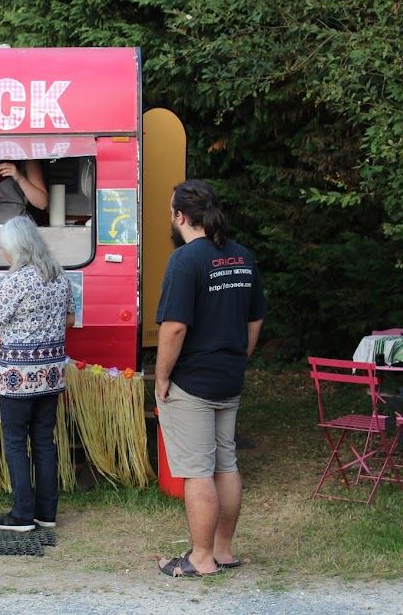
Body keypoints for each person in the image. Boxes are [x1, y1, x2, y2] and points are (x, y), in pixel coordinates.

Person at [154, 179, 266, 578]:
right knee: (226, 463)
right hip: (229, 378)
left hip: (194, 383)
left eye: (171, 211)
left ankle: (201, 558)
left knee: (199, 471)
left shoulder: (185, 260)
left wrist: (161, 377)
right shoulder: (242, 256)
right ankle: (223, 550)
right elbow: (255, 318)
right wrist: (240, 358)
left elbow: (174, 329)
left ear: (181, 216)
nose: (171, 218)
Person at [0, 216, 75, 532]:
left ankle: (21, 515)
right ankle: (47, 513)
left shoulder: (15, 281)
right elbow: (69, 320)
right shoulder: (59, 277)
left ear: (16, 249)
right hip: (52, 374)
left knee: (15, 441)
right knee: (43, 440)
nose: (4, 254)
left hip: (19, 377)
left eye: (6, 248)